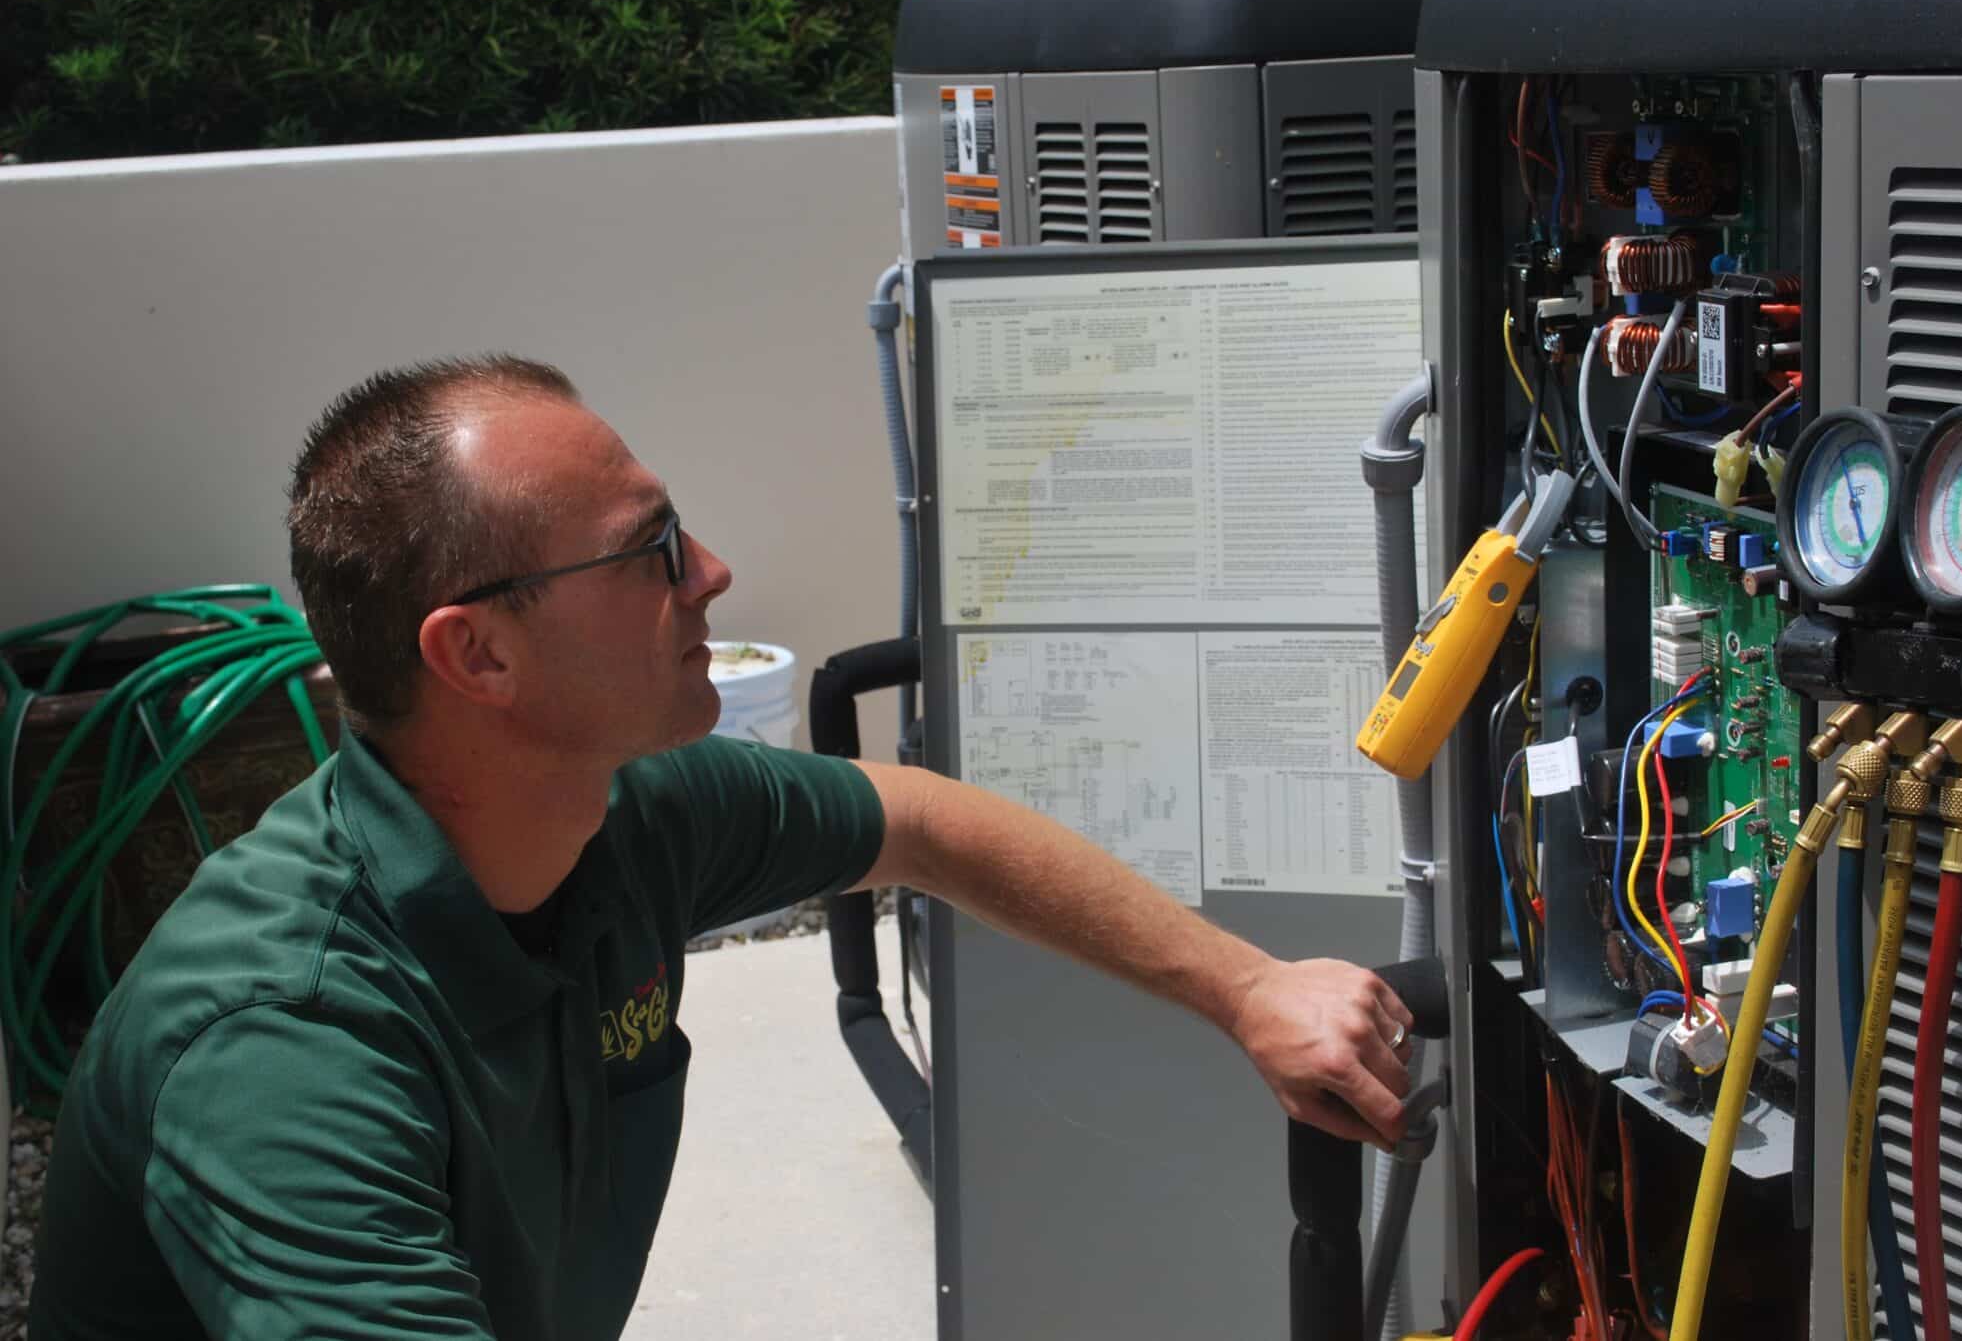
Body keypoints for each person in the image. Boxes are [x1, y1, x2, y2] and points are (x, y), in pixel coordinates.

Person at [31, 356, 1414, 1340]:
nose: (712, 575)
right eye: (653, 549)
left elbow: (918, 821)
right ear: (481, 655)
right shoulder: (290, 1050)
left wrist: (1245, 986)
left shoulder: (627, 817)